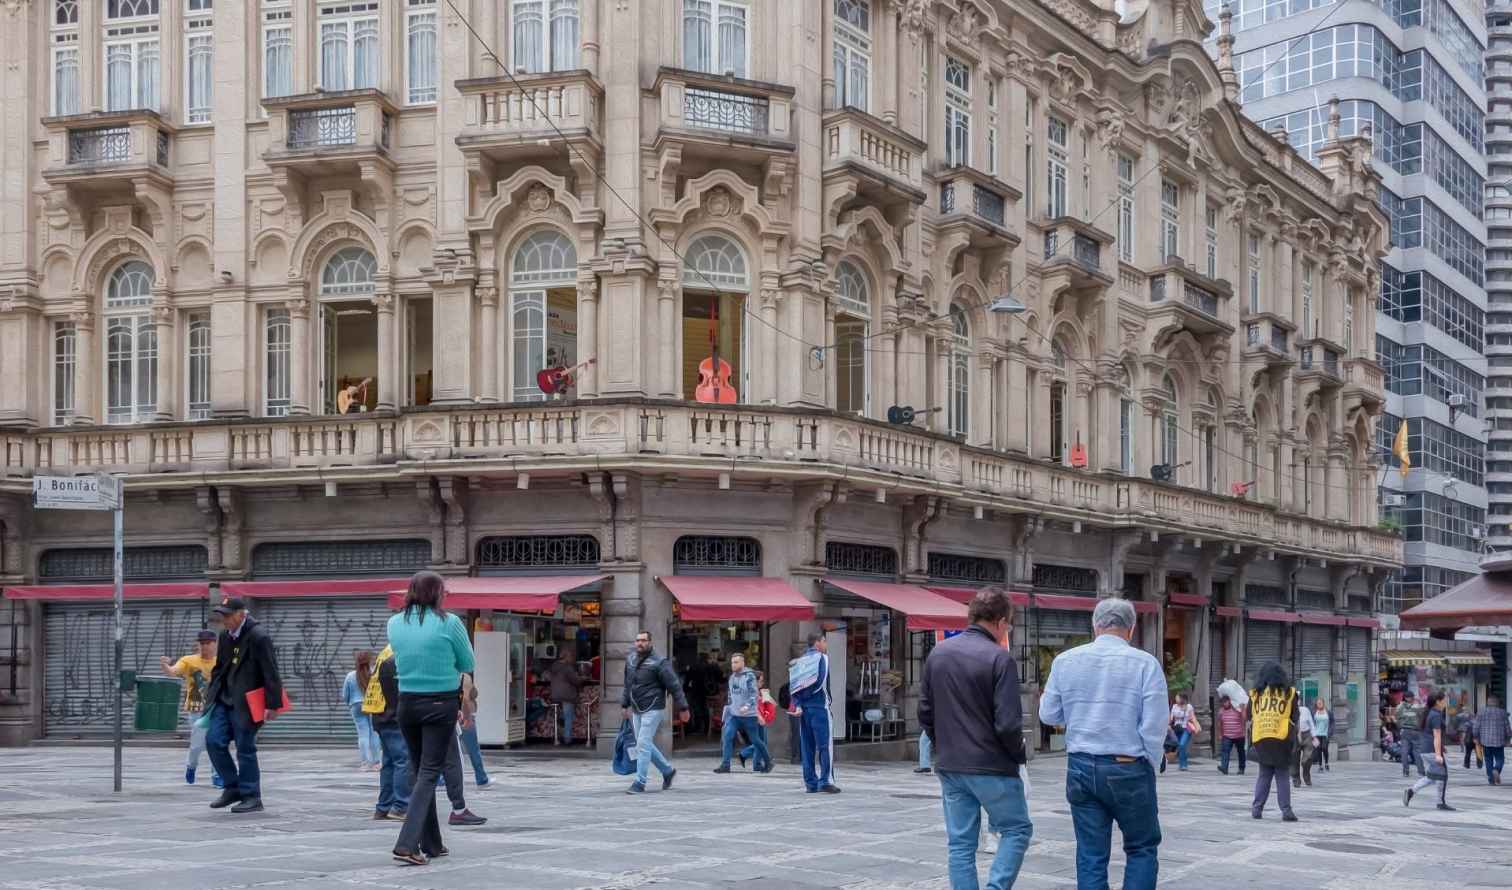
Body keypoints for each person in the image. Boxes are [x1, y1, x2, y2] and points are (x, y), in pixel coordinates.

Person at [1038, 598, 1166, 890]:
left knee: (1091, 853)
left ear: (1095, 626)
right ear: (1131, 628)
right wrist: (1150, 760)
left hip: (1081, 765)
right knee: (1141, 847)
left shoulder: (1065, 660)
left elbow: (1048, 714)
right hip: (1127, 765)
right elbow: (1154, 725)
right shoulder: (1146, 663)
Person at [920, 587, 1032, 890]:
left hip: (951, 764)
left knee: (960, 845)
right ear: (999, 621)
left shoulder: (938, 654)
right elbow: (1008, 724)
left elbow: (925, 713)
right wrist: (1017, 756)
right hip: (992, 764)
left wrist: (942, 745)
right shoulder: (999, 658)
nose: (1006, 630)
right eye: (1007, 624)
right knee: (1017, 830)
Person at [386, 571, 476, 866]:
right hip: (439, 703)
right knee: (428, 772)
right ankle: (407, 843)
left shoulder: (394, 622)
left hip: (407, 703)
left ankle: (433, 844)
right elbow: (467, 663)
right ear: (436, 593)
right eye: (444, 591)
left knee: (419, 769)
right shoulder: (449, 622)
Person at [203, 597, 283, 814]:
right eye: (222, 616)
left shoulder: (258, 636)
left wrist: (273, 704)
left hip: (247, 702)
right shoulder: (225, 637)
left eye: (228, 615)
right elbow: (220, 667)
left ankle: (252, 796)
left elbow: (271, 671)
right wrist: (211, 694)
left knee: (245, 748)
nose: (224, 620)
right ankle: (232, 787)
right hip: (224, 699)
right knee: (213, 741)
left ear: (241, 614)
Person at [620, 630, 690, 794]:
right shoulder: (630, 660)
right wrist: (624, 704)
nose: (640, 643)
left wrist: (684, 707)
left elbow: (675, 686)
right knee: (643, 744)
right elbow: (627, 684)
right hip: (637, 707)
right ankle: (667, 771)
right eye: (637, 640)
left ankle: (640, 782)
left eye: (643, 640)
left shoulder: (660, 662)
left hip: (654, 707)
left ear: (650, 642)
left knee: (642, 744)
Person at [159, 630, 220, 787]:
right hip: (196, 709)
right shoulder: (188, 661)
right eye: (202, 643)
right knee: (197, 745)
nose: (204, 646)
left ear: (215, 644)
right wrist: (165, 665)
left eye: (208, 643)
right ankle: (191, 767)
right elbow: (173, 672)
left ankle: (217, 774)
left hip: (216, 708)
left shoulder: (221, 661)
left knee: (217, 742)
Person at [1248, 662, 1300, 822]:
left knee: (1264, 774)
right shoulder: (1289, 693)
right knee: (1282, 774)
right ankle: (1286, 810)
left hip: (1261, 737)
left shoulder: (1255, 694)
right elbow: (1295, 716)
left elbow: (1248, 715)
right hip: (1281, 737)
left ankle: (1257, 808)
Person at [363, 644, 410, 821]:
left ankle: (383, 807)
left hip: (381, 715)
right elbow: (396, 691)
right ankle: (401, 806)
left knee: (390, 762)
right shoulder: (396, 656)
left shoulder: (387, 652)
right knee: (402, 760)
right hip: (392, 717)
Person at [792, 631, 840, 794]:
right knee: (825, 745)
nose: (826, 645)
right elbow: (820, 681)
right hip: (819, 706)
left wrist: (798, 703)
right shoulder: (822, 658)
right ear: (817, 643)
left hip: (804, 709)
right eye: (824, 641)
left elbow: (794, 685)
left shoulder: (800, 660)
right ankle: (826, 780)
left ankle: (810, 783)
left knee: (807, 747)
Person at [714, 653, 770, 774]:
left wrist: (747, 706)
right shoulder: (732, 677)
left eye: (736, 662)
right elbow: (731, 695)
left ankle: (768, 762)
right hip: (734, 715)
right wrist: (728, 708)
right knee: (727, 736)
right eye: (732, 662)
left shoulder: (749, 676)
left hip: (749, 715)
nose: (733, 665)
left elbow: (753, 695)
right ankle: (725, 765)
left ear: (743, 663)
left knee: (756, 740)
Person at [1404, 691, 1454, 811]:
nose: (1446, 702)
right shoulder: (1436, 715)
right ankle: (1440, 802)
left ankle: (1411, 791)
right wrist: (1438, 754)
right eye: (1444, 700)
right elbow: (1436, 735)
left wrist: (1441, 748)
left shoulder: (1429, 713)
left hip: (1424, 750)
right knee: (1442, 775)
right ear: (1438, 701)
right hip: (1432, 750)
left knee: (1432, 776)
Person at [343, 651, 381, 770]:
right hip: (372, 705)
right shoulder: (374, 673)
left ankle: (365, 764)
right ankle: (376, 763)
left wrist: (350, 703)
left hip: (356, 705)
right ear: (369, 661)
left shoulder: (350, 676)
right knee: (374, 733)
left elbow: (345, 695)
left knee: (363, 734)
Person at [545, 655, 586, 745]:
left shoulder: (553, 666)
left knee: (563, 715)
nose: (572, 658)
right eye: (571, 656)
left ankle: (557, 732)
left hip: (555, 695)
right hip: (567, 695)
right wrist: (583, 678)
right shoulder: (567, 668)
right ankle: (567, 739)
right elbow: (576, 680)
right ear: (566, 657)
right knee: (568, 717)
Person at [1473, 695, 1510, 785]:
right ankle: (1496, 769)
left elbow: (1476, 727)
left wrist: (1475, 737)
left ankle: (1491, 779)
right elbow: (1507, 728)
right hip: (1499, 741)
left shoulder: (1481, 712)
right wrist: (1508, 738)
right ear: (1497, 703)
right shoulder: (1502, 713)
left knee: (1488, 759)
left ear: (1488, 702)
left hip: (1485, 741)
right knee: (1500, 759)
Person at [1394, 691, 1424, 777]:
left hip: (1404, 730)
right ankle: (1421, 772)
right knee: (1417, 751)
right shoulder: (1417, 706)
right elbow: (1422, 717)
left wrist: (1400, 727)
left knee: (1404, 751)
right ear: (1412, 697)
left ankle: (1405, 772)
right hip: (1415, 730)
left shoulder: (1399, 707)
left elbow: (1397, 719)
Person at [1216, 695, 1247, 776]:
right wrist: (1220, 734)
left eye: (1225, 702)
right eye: (1223, 703)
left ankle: (1241, 768)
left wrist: (1243, 709)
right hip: (1227, 735)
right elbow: (1219, 723)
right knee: (1225, 751)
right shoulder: (1221, 711)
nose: (1224, 704)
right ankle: (1224, 768)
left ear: (1229, 701)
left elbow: (1244, 719)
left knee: (1241, 752)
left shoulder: (1237, 709)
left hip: (1239, 735)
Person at [1291, 698, 1315, 788]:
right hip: (1294, 735)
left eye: (1298, 700)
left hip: (1306, 735)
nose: (1296, 702)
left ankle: (1306, 774)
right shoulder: (1289, 711)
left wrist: (1314, 735)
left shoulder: (1305, 710)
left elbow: (1311, 723)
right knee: (1294, 759)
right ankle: (1296, 779)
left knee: (1307, 758)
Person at [1168, 693, 1196, 771]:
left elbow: (1192, 717)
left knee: (1182, 744)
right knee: (1180, 746)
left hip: (1186, 728)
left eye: (1177, 698)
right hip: (1177, 728)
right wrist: (1168, 724)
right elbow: (1171, 718)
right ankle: (1181, 764)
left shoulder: (1189, 707)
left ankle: (1184, 764)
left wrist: (1184, 712)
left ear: (1182, 699)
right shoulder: (1174, 706)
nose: (1176, 699)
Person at [1458, 706, 1481, 771]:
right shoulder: (1479, 723)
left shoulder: (1467, 723)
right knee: (1478, 753)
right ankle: (1479, 765)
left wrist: (1464, 740)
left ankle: (1466, 765)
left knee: (1468, 753)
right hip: (1477, 740)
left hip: (1468, 740)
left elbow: (1464, 732)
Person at [1311, 699, 1331, 772]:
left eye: (1320, 703)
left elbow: (1332, 722)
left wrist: (1330, 732)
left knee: (1324, 748)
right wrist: (1312, 733)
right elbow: (1312, 723)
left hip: (1325, 734)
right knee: (1318, 749)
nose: (1319, 704)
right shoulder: (1314, 712)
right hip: (1317, 734)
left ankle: (1326, 763)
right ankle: (1320, 766)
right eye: (1318, 703)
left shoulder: (1328, 712)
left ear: (1323, 703)